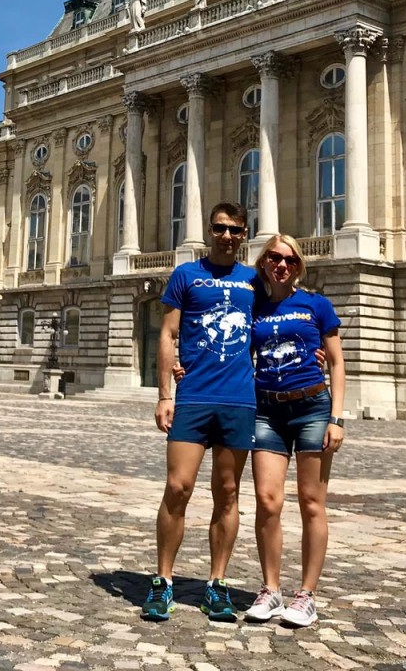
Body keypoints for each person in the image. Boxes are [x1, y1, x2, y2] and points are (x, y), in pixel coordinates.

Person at [143, 202, 256, 622]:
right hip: (193, 397)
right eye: (220, 228)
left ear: (245, 235)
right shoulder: (186, 275)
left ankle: (217, 585)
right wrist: (164, 394)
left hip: (239, 399)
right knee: (178, 487)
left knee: (227, 494)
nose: (227, 236)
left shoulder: (254, 282)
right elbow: (168, 333)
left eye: (235, 230)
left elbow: (272, 327)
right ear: (210, 231)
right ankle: (163, 581)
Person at [244, 234, 345, 628]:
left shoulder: (316, 304)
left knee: (310, 503)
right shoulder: (256, 308)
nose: (281, 264)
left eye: (288, 259)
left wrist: (337, 418)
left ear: (298, 266)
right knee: (268, 502)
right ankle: (271, 589)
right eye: (273, 258)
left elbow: (336, 362)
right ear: (264, 263)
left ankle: (307, 594)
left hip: (312, 408)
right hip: (266, 409)